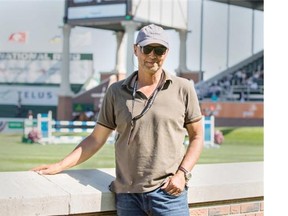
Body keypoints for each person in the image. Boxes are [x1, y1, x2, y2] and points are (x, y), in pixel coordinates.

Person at [32, 24, 204, 215]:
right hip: (128, 196)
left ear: (167, 52)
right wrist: (60, 165)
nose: (152, 55)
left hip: (168, 195)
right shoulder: (116, 91)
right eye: (147, 49)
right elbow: (96, 139)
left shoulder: (183, 88)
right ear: (135, 49)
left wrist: (182, 174)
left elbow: (197, 137)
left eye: (159, 50)